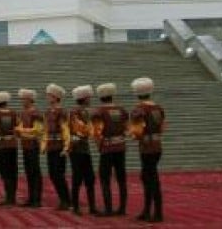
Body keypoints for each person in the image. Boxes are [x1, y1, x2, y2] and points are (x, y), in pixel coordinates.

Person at [128, 76, 165, 223]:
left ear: (137, 94)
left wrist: (130, 133)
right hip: (157, 146)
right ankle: (148, 210)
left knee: (150, 178)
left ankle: (156, 212)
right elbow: (162, 127)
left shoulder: (139, 110)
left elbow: (137, 132)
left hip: (146, 147)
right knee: (149, 177)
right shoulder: (158, 108)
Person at [92, 82, 128, 216]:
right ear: (113, 95)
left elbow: (97, 133)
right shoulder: (122, 110)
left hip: (107, 148)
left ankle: (108, 208)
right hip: (121, 146)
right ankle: (122, 208)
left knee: (105, 178)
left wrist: (99, 146)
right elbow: (127, 128)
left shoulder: (99, 112)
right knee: (121, 178)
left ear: (100, 97)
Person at [69, 84, 101, 216]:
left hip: (84, 148)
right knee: (78, 178)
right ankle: (76, 206)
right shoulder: (76, 112)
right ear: (84, 98)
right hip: (77, 149)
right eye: (89, 97)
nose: (90, 99)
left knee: (89, 178)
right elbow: (81, 130)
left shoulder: (85, 112)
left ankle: (92, 206)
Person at [42, 83, 72, 211]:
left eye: (49, 95)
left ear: (55, 97)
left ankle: (66, 200)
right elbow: (45, 130)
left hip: (59, 145)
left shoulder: (62, 112)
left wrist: (66, 147)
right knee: (52, 173)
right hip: (51, 145)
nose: (47, 97)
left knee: (58, 174)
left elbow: (66, 130)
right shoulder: (48, 112)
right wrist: (44, 145)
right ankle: (63, 199)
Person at [16, 88, 45, 207]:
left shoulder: (36, 113)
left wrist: (21, 131)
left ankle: (37, 199)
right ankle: (31, 197)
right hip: (25, 145)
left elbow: (38, 130)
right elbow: (19, 128)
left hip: (33, 145)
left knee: (35, 172)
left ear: (30, 99)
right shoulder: (23, 113)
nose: (22, 101)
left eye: (24, 99)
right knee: (29, 172)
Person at [0, 91, 19, 205]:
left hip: (2, 145)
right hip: (13, 144)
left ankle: (8, 197)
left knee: (5, 171)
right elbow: (18, 127)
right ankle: (12, 197)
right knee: (13, 170)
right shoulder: (13, 113)